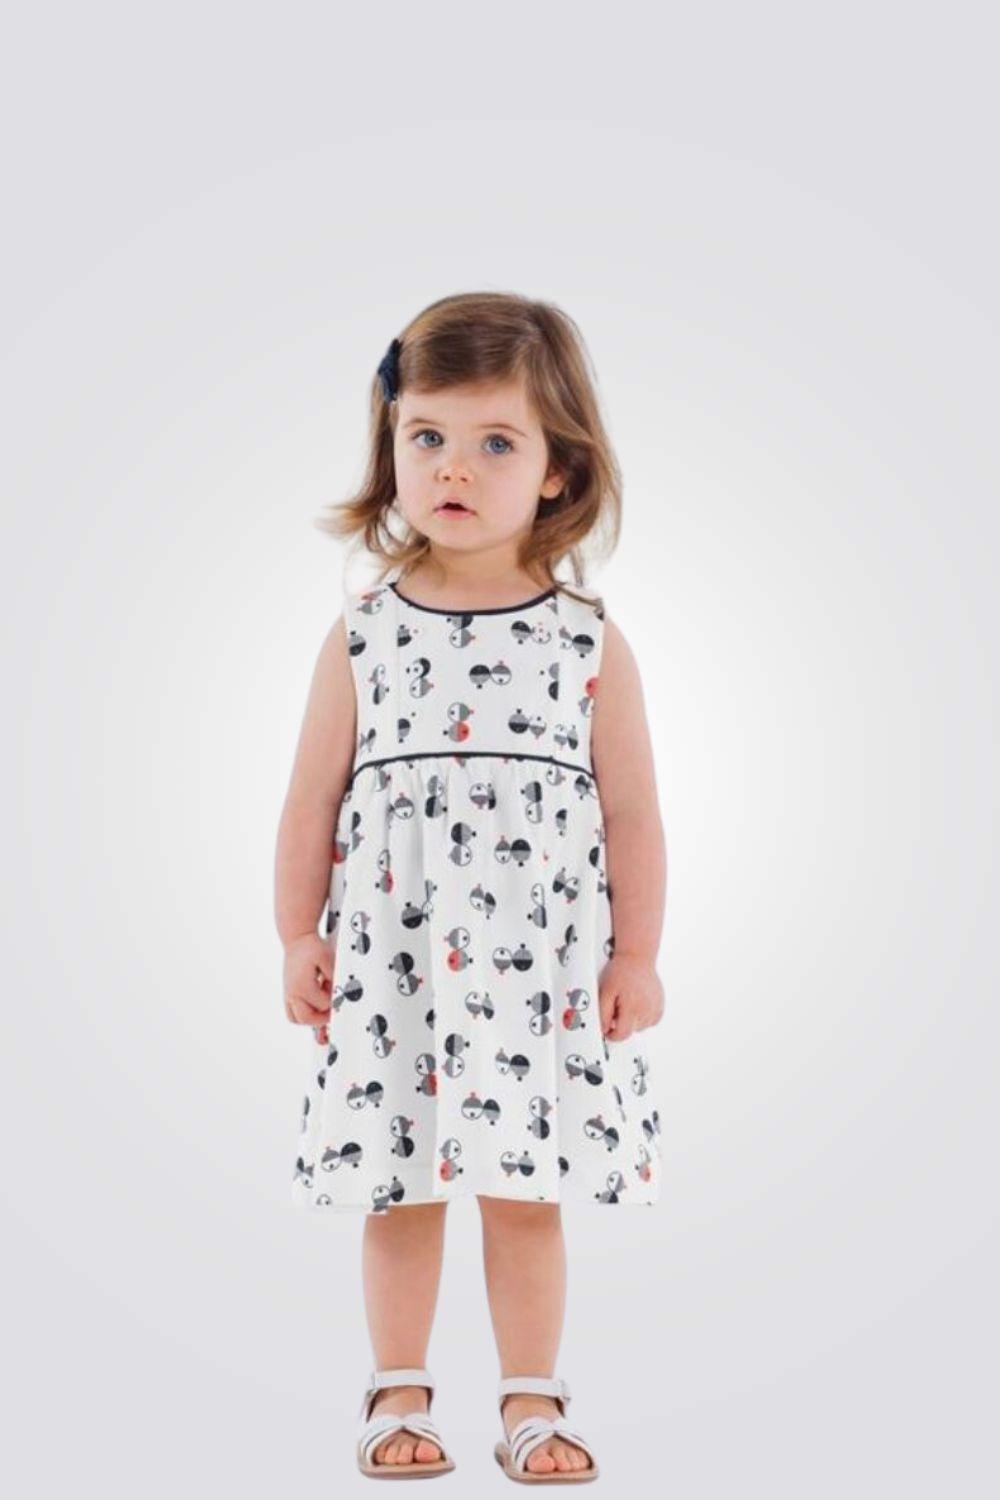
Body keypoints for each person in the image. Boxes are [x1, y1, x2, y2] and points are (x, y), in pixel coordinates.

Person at [275, 291, 667, 1481]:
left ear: (557, 471)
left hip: (534, 976)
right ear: (390, 448)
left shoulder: (586, 641)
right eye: (428, 436)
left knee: (524, 1195)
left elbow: (632, 813)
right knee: (398, 1190)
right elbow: (310, 801)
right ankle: (397, 1390)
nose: (454, 466)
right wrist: (297, 936)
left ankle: (530, 1399)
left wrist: (636, 956)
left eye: (496, 441)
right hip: (393, 971)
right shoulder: (362, 635)